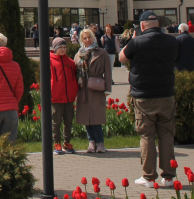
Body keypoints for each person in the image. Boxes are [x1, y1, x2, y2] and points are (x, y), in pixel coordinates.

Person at [119, 10, 180, 188]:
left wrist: (132, 40)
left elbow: (122, 57)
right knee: (167, 135)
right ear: (158, 24)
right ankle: (169, 176)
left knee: (147, 135)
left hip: (144, 95)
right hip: (166, 94)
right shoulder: (171, 41)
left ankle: (149, 177)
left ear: (142, 25)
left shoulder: (137, 42)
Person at [74, 28, 112, 153]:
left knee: (96, 117)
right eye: (84, 38)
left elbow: (108, 72)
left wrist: (107, 89)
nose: (87, 40)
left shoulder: (102, 53)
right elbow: (74, 73)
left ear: (93, 37)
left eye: (89, 37)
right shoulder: (79, 54)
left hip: (96, 87)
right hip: (83, 89)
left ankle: (100, 143)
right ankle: (91, 142)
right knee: (86, 118)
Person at [50, 37, 78, 155]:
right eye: (60, 47)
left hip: (69, 97)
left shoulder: (70, 62)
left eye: (64, 47)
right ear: (55, 48)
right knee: (56, 121)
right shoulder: (50, 61)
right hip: (56, 97)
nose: (63, 49)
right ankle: (57, 142)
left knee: (68, 121)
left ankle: (67, 142)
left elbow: (74, 77)